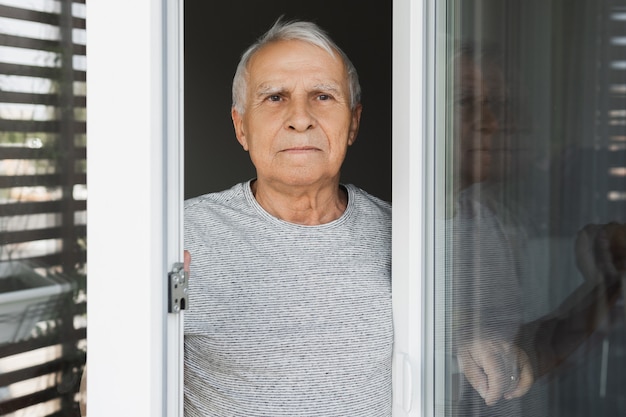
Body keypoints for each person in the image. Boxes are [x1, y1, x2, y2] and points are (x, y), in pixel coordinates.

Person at [183, 18, 392, 416]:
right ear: (241, 127)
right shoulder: (182, 236)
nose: (301, 118)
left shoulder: (403, 236)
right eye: (275, 97)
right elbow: (116, 380)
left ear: (354, 123)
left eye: (323, 96)